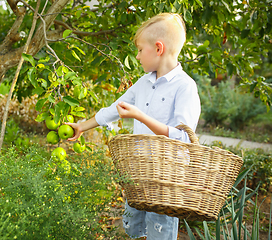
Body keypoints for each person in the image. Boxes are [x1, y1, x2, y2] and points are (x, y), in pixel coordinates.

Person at [66, 12, 201, 240]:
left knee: (159, 231)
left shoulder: (185, 87)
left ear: (158, 49)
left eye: (140, 50)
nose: (137, 57)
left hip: (164, 182)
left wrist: (141, 115)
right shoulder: (143, 83)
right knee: (134, 230)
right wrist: (82, 125)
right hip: (137, 177)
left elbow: (184, 138)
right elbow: (113, 110)